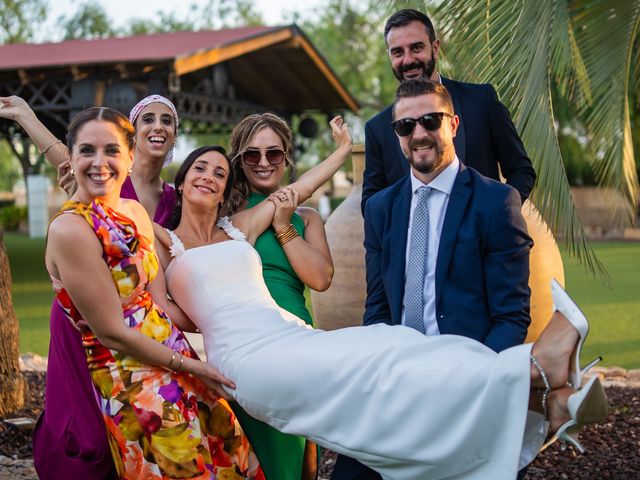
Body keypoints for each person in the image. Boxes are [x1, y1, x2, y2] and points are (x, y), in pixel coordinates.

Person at [153, 116, 609, 480]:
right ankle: (533, 374)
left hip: (290, 334)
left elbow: (302, 188)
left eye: (218, 171)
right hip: (244, 360)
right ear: (181, 177)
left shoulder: (240, 227)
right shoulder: (161, 240)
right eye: (200, 169)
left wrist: (338, 150)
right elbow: (158, 296)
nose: (210, 178)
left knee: (392, 344)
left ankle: (538, 394)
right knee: (362, 374)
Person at [44, 106, 264, 479]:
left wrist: (220, 330)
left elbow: (157, 302)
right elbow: (112, 331)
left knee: (230, 461)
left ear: (130, 156)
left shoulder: (134, 211)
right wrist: (193, 366)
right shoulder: (70, 230)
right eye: (86, 150)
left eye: (112, 150)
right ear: (71, 156)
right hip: (134, 380)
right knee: (183, 469)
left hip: (176, 355)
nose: (100, 162)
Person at [334, 77, 535, 480]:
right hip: (396, 380)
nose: (419, 134)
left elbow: (511, 318)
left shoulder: (496, 203)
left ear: (454, 124)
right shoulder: (381, 209)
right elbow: (377, 309)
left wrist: (467, 382)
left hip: (466, 382)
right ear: (397, 136)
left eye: (430, 120)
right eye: (406, 126)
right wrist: (384, 371)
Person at [0, 94, 180, 478]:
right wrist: (25, 115)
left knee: (139, 436)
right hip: (84, 324)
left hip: (141, 329)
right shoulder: (107, 179)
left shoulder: (174, 199)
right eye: (148, 118)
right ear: (135, 131)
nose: (158, 126)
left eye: (167, 120)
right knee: (87, 432)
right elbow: (69, 155)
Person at [226, 113, 333, 480]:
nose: (264, 162)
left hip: (296, 345)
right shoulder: (225, 216)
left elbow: (319, 279)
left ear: (287, 157)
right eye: (252, 155)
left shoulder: (308, 218)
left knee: (296, 457)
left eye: (273, 153)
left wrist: (285, 226)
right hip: (243, 348)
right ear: (238, 160)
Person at [361, 9, 536, 211]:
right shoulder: (377, 128)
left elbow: (521, 170)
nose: (408, 60)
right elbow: (370, 203)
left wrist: (497, 215)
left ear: (435, 48)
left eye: (416, 48)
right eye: (398, 52)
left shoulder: (482, 101)